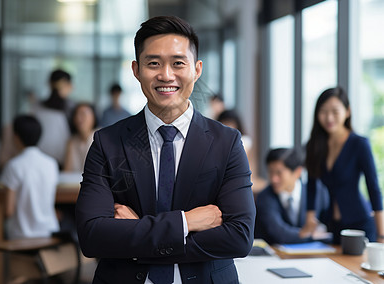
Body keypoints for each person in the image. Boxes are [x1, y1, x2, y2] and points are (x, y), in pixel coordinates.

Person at [75, 16, 256, 284]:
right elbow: (92, 237)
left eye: (178, 63)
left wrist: (137, 234)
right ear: (136, 70)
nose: (166, 75)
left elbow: (239, 237)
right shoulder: (107, 142)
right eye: (154, 63)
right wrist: (186, 222)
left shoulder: (226, 142)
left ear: (197, 69)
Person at [303, 87, 384, 244]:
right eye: (323, 111)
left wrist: (382, 235)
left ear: (347, 112)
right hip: (333, 225)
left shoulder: (359, 144)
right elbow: (311, 186)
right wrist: (309, 221)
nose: (329, 117)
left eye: (335, 111)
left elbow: (373, 188)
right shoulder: (315, 145)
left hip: (360, 223)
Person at [0, 115, 60, 239]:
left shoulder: (13, 166)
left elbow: (8, 210)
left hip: (22, 233)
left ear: (16, 137)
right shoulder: (52, 164)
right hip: (49, 231)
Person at [255, 148, 330, 245]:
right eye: (270, 172)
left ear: (298, 172)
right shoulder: (265, 197)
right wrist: (311, 235)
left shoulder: (318, 192)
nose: (273, 179)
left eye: (279, 173)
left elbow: (329, 229)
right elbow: (279, 234)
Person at [217, 109, 266, 195]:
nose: (227, 126)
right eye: (224, 123)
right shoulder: (217, 141)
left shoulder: (244, 141)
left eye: (230, 123)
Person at [63, 103, 98, 172]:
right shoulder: (72, 141)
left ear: (93, 117)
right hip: (74, 182)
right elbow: (67, 171)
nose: (79, 118)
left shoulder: (101, 139)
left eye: (83, 114)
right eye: (76, 115)